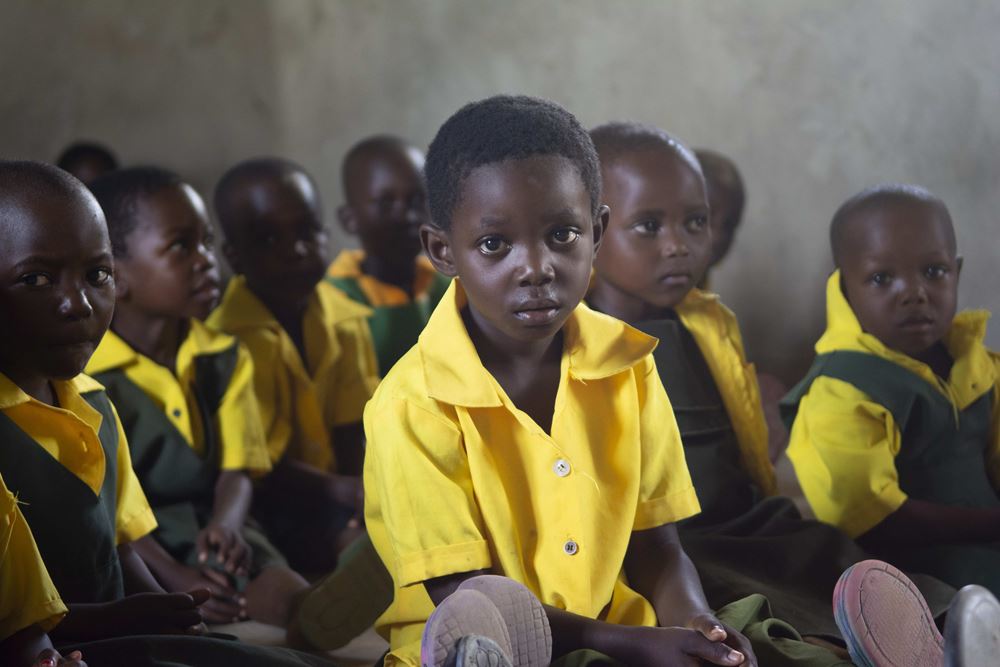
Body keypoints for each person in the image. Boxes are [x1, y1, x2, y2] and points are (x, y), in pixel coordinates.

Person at [363, 95, 761, 667]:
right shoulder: (411, 405)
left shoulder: (629, 363)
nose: (536, 267)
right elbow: (467, 596)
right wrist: (638, 644)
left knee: (763, 637)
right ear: (443, 251)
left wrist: (699, 624)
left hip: (619, 630)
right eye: (494, 245)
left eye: (562, 234)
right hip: (487, 645)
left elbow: (658, 549)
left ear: (597, 232)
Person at [586, 121, 957, 664]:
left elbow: (740, 439)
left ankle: (937, 629)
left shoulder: (707, 322)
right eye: (648, 226)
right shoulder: (580, 339)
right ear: (593, 230)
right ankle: (840, 644)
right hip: (672, 539)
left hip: (746, 517)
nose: (679, 246)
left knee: (828, 552)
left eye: (695, 223)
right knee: (740, 600)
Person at [85, 167, 307, 626]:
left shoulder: (224, 355)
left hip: (214, 525)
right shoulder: (87, 378)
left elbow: (237, 469)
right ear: (116, 275)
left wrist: (226, 525)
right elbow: (108, 514)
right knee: (162, 612)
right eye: (180, 246)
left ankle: (310, 615)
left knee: (284, 592)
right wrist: (176, 575)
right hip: (137, 545)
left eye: (206, 242)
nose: (205, 259)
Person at [783, 184, 1000, 597]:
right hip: (909, 571)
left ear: (957, 273)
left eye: (934, 272)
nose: (914, 293)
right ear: (846, 290)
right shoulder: (841, 390)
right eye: (882, 278)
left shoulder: (975, 364)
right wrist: (992, 523)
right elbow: (877, 520)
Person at [209, 157, 378, 573]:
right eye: (268, 239)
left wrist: (363, 494)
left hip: (337, 494)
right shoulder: (225, 341)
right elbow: (258, 467)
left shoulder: (346, 319)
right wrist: (341, 491)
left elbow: (351, 430)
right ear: (234, 255)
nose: (296, 250)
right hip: (265, 500)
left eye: (307, 231)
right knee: (291, 542)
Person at [329, 135, 451, 375]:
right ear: (349, 219)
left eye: (417, 200)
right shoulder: (334, 305)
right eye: (386, 203)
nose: (408, 216)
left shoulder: (448, 287)